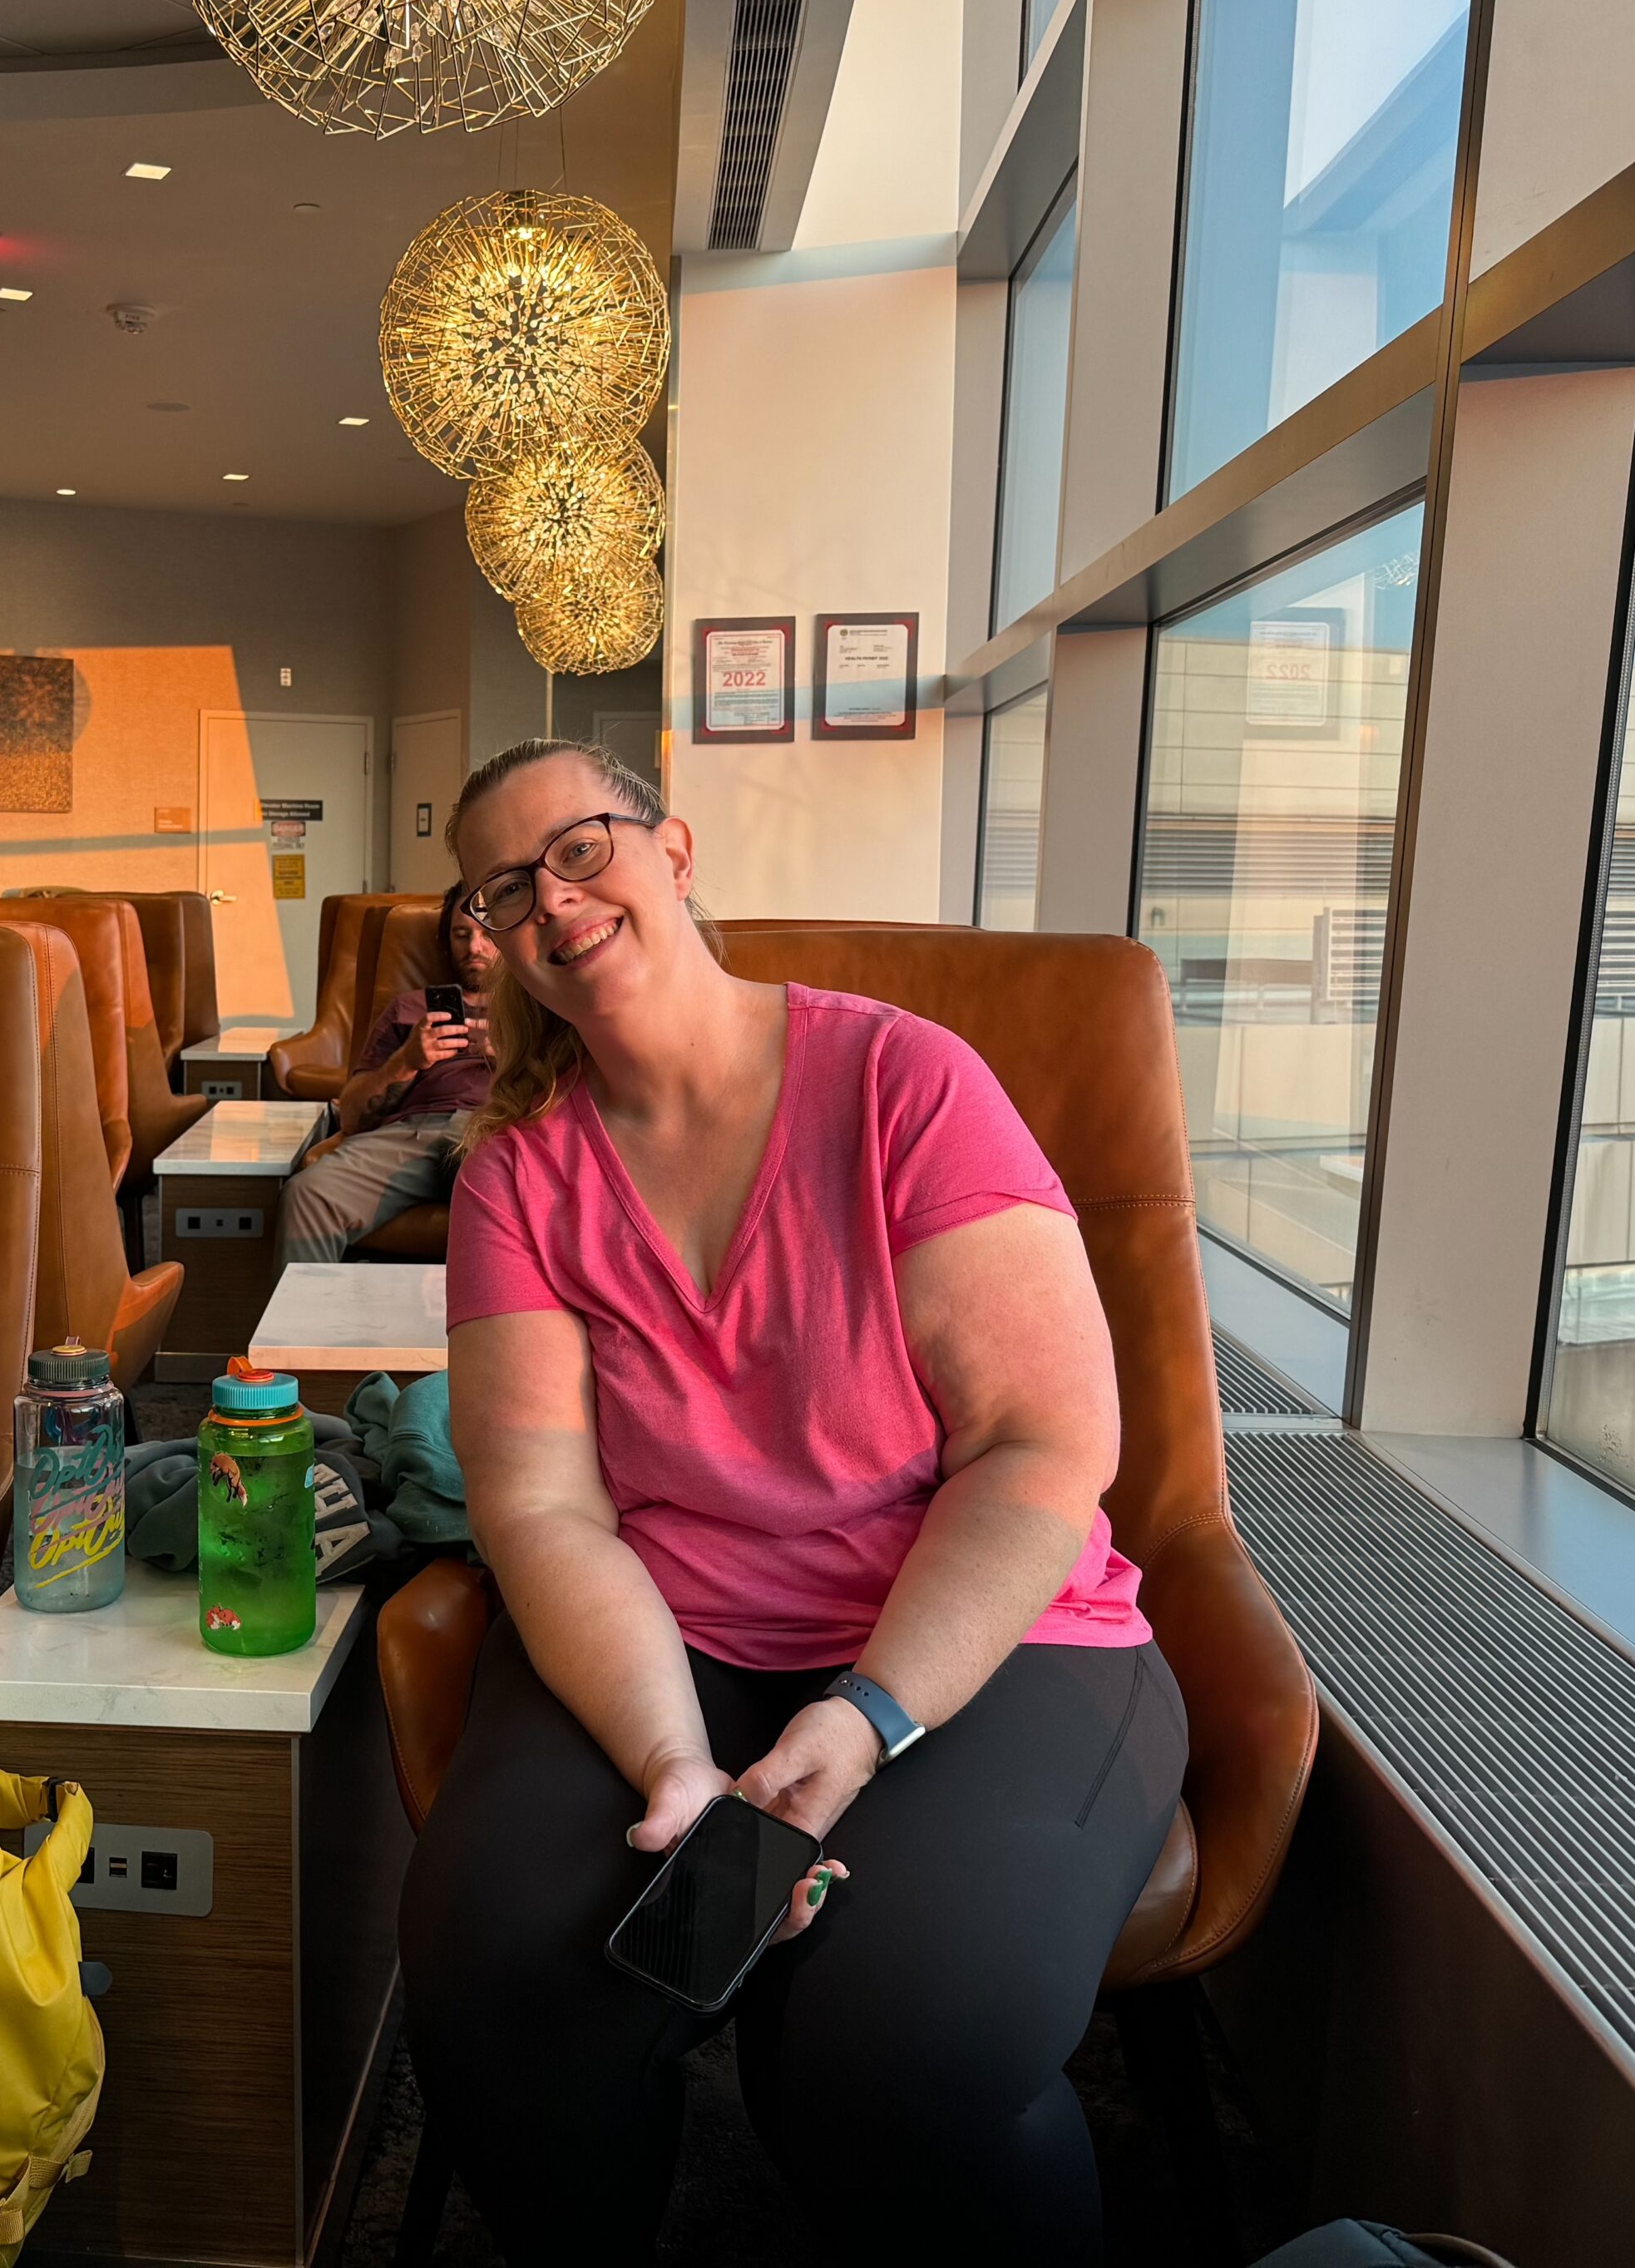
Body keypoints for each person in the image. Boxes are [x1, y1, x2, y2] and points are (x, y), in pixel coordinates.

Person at [401, 738, 1184, 2266]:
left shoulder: (900, 1079)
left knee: (892, 2049)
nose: (551, 904)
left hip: (988, 1640)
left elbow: (1041, 1445)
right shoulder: (518, 1175)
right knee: (501, 1979)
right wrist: (674, 1764)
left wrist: (866, 1715)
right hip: (670, 1644)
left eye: (578, 850)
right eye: (505, 887)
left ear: (672, 848)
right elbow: (545, 1508)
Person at [280, 895, 499, 1261]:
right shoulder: (409, 1007)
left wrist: (516, 1058)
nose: (473, 947)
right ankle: (311, 1319)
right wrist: (406, 1061)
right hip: (413, 1132)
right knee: (307, 1196)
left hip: (497, 1128)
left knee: (498, 1184)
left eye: (486, 933)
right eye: (461, 934)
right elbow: (351, 1114)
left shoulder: (540, 1008)